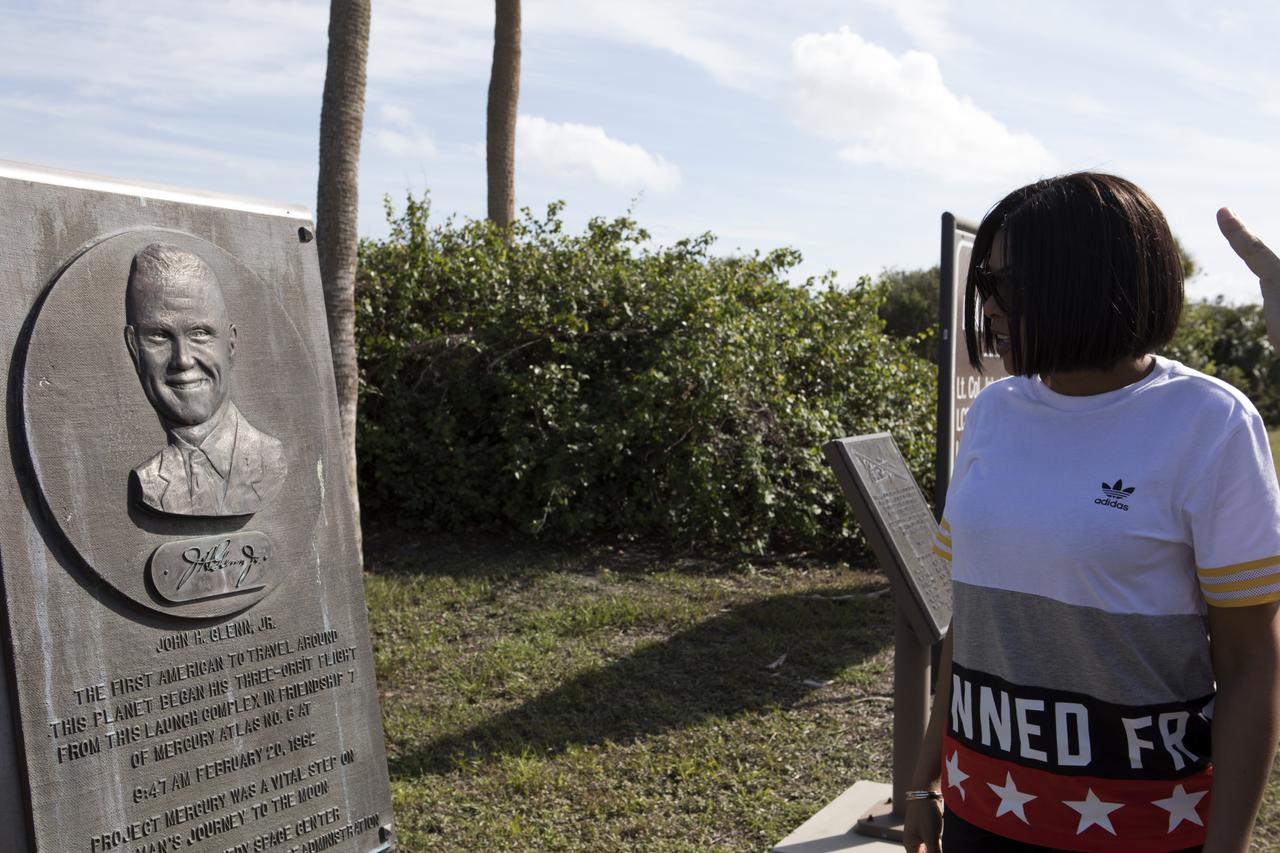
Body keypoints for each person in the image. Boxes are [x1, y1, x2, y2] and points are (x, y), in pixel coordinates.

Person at [903, 173, 1280, 853]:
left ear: (1084, 281)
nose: (987, 308)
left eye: (1008, 286)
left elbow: (1252, 663)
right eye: (985, 284)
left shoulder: (1212, 423)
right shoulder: (993, 413)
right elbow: (975, 618)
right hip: (982, 812)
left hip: (1141, 827)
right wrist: (923, 781)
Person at [124, 242, 286, 517]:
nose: (183, 359)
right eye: (159, 336)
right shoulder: (146, 479)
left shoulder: (270, 458)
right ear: (133, 347)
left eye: (199, 333)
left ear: (231, 343)